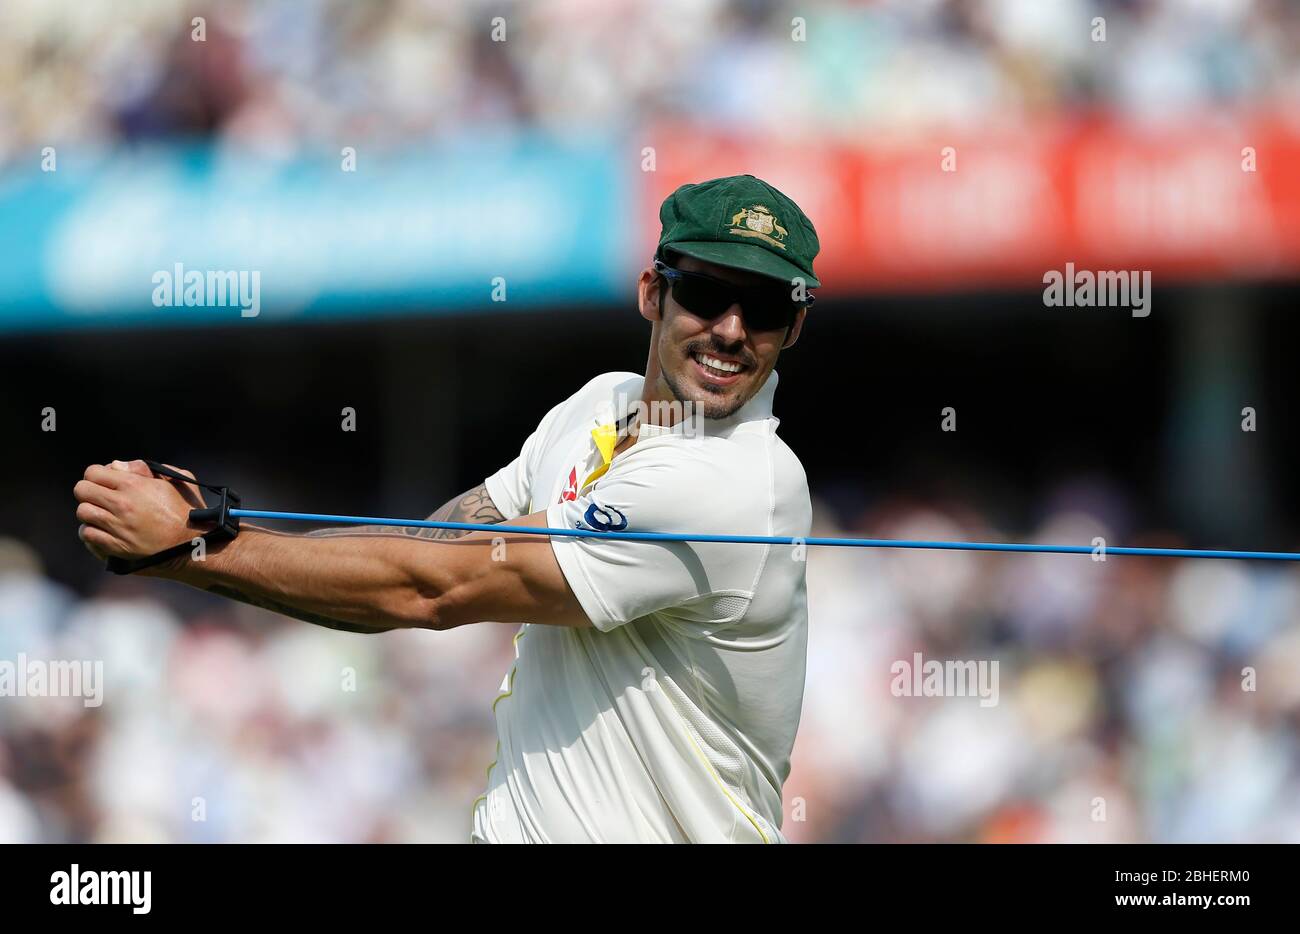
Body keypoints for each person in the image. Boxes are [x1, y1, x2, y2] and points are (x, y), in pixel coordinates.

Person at [73, 174, 820, 843]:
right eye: (704, 293)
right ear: (653, 293)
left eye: (762, 307)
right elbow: (429, 544)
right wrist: (221, 526)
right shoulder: (602, 402)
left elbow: (430, 589)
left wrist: (192, 549)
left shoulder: (735, 479)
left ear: (794, 326)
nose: (730, 329)